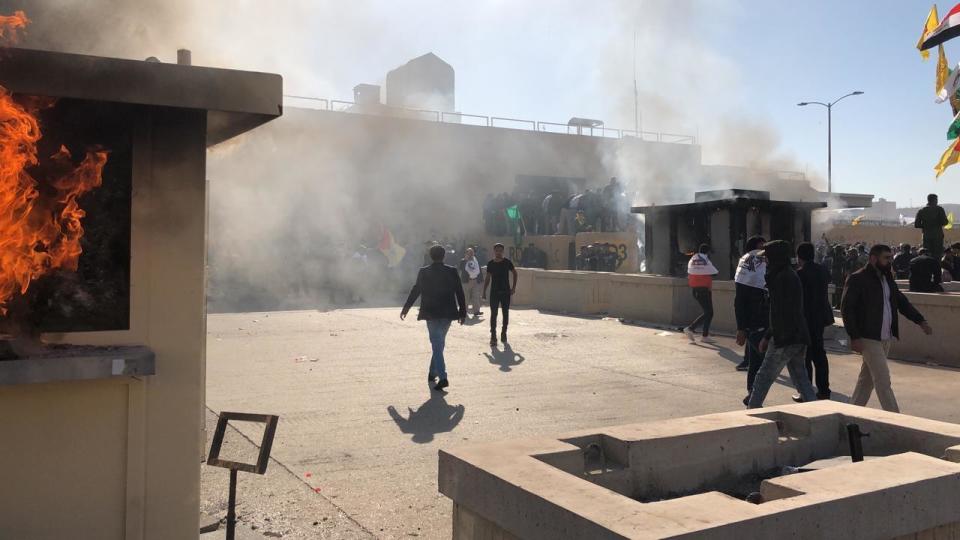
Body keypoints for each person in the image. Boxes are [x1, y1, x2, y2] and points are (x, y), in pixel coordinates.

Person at [841, 244, 933, 412]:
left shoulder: (887, 279)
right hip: (868, 337)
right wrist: (854, 337)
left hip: (885, 337)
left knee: (866, 381)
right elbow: (847, 309)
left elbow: (901, 302)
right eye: (886, 258)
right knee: (883, 381)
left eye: (891, 258)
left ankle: (851, 415)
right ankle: (897, 422)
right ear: (873, 259)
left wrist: (920, 321)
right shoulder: (858, 278)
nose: (890, 261)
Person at [746, 240, 819, 408]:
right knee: (801, 379)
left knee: (763, 377)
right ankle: (815, 410)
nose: (765, 261)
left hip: (785, 336)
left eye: (767, 257)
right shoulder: (788, 274)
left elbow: (779, 312)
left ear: (774, 257)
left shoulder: (781, 278)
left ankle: (752, 411)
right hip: (797, 334)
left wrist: (767, 337)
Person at [401, 244, 467, 391]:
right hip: (448, 313)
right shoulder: (452, 271)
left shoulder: (424, 271)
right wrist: (462, 312)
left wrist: (406, 307)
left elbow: (416, 290)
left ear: (430, 256)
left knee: (437, 344)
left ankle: (443, 377)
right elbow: (460, 292)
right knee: (439, 344)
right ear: (444, 256)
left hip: (431, 312)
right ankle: (432, 373)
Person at [795, 242, 834, 401]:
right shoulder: (823, 270)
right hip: (820, 317)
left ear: (799, 257)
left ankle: (806, 391)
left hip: (805, 319)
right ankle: (824, 390)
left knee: (805, 357)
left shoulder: (800, 274)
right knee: (820, 355)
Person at [733, 236, 768, 396]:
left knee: (755, 360)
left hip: (754, 321)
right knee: (765, 361)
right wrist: (741, 328)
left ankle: (752, 393)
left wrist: (741, 327)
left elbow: (739, 299)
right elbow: (740, 299)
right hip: (759, 319)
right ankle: (754, 396)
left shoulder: (744, 262)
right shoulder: (759, 261)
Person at [483, 243, 518, 346]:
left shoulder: (507, 262)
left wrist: (513, 288)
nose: (498, 252)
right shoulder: (490, 263)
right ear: (494, 251)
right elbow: (488, 278)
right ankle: (493, 336)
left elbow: (515, 273)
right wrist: (484, 291)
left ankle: (504, 333)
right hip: (494, 292)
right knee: (493, 314)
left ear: (503, 251)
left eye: (500, 250)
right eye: (496, 250)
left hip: (505, 292)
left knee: (505, 313)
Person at [683, 244, 718, 344]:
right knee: (709, 312)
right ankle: (690, 328)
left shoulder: (693, 259)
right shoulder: (705, 260)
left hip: (697, 289)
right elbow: (715, 272)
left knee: (709, 313)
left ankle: (705, 336)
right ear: (707, 252)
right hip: (703, 290)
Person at [915, 194, 949, 261]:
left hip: (926, 236)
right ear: (935, 200)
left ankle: (928, 270)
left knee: (927, 255)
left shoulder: (921, 211)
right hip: (937, 236)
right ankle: (937, 270)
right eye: (936, 200)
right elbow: (945, 222)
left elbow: (916, 224)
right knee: (937, 256)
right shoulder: (939, 209)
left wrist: (925, 226)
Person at [458, 247, 484, 318]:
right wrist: (466, 260)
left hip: (475, 281)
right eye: (469, 253)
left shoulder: (476, 261)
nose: (470, 254)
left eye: (472, 252)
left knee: (476, 296)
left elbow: (479, 271)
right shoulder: (463, 261)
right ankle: (464, 311)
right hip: (466, 282)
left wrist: (481, 280)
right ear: (466, 253)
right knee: (465, 297)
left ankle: (476, 311)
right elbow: (460, 271)